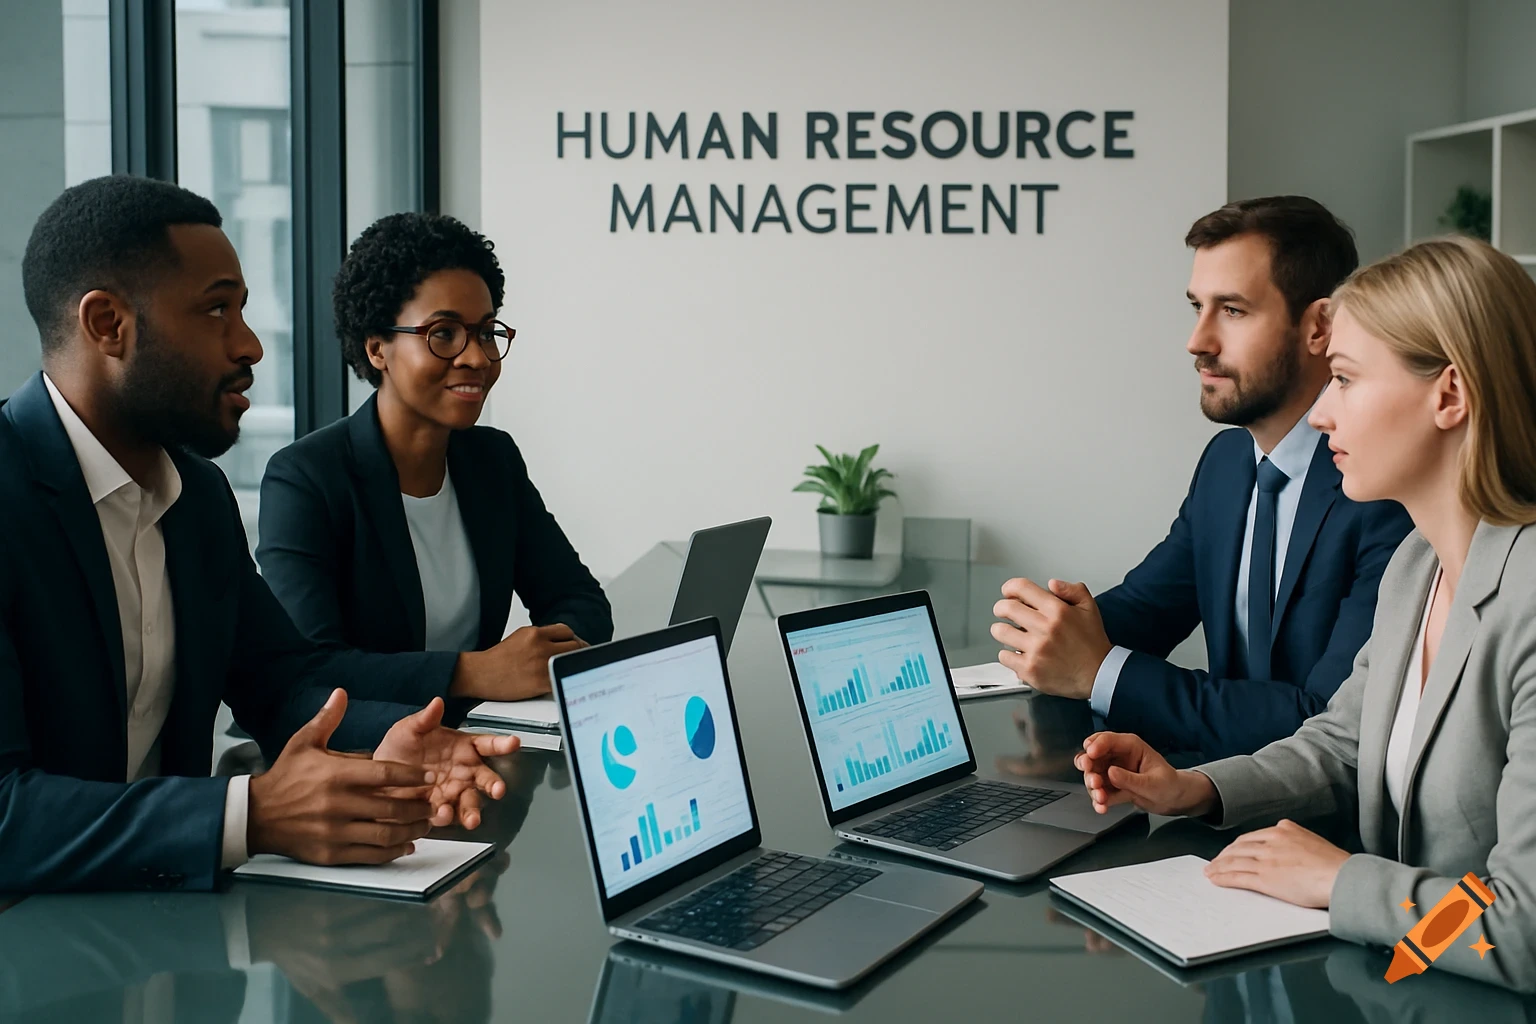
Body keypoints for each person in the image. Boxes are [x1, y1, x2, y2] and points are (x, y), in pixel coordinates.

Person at [0, 175, 518, 893]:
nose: (249, 345)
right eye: (216, 310)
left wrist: (399, 740)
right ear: (106, 324)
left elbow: (282, 683)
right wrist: (249, 813)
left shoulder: (197, 496)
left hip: (167, 939)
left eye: (242, 310)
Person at [1076, 236, 1536, 992]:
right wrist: (1200, 789)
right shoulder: (1418, 567)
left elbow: (1519, 934)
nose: (1320, 415)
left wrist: (1343, 881)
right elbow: (1342, 743)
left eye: (1346, 381)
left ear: (1449, 396)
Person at [992, 196, 1414, 759]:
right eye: (1197, 307)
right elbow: (1147, 609)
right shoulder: (1227, 463)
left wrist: (1098, 671)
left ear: (1319, 327)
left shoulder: (1385, 487)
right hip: (1213, 797)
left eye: (1233, 311)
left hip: (1325, 824)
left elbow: (1325, 718)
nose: (1198, 340)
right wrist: (1053, 630)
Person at [256, 212, 612, 707]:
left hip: (481, 736)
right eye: (443, 334)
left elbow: (580, 599)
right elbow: (311, 666)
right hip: (363, 750)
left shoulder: (492, 460)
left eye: (486, 332)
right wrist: (474, 672)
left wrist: (537, 659)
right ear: (378, 348)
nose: (477, 357)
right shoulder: (306, 478)